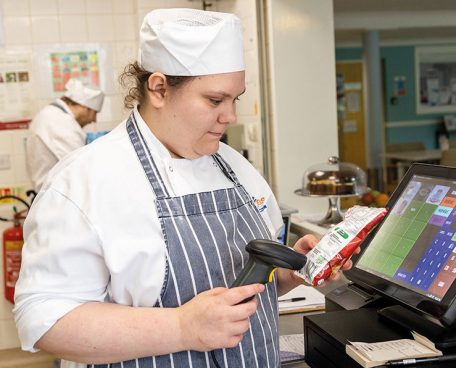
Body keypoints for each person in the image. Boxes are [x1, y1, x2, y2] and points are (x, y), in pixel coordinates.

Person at [14, 8, 355, 368]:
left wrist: (285, 274)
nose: (230, 116)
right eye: (214, 100)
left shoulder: (237, 169)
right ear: (159, 89)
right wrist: (180, 327)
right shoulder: (85, 180)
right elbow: (44, 320)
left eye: (235, 99)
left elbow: (244, 290)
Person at [26, 78, 104, 191]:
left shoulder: (50, 114)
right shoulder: (61, 123)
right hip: (54, 199)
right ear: (85, 106)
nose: (94, 120)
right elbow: (82, 169)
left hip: (50, 194)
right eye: (94, 113)